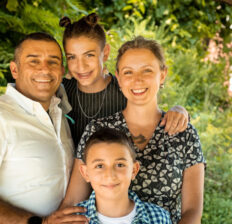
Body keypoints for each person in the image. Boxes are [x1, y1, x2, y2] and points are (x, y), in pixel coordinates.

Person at [62, 36, 206, 224]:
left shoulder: (184, 133)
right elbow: (73, 201)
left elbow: (192, 211)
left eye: (147, 71)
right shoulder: (97, 130)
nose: (137, 80)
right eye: (128, 72)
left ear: (162, 75)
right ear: (119, 77)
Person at [0, 32, 88, 224]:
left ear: (62, 70)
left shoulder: (59, 115)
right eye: (34, 61)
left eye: (53, 62)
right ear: (15, 69)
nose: (45, 69)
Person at [59, 13, 189, 148]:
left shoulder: (125, 88)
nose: (81, 66)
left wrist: (180, 110)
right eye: (72, 57)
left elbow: (152, 114)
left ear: (106, 53)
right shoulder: (61, 90)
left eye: (89, 55)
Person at [77, 127, 172, 224]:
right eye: (100, 166)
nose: (110, 175)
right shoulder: (72, 219)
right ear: (85, 173)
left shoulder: (160, 218)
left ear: (134, 170)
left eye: (120, 165)